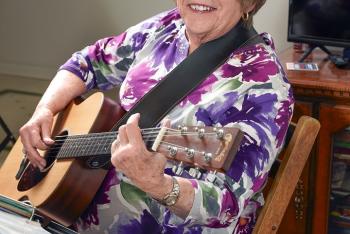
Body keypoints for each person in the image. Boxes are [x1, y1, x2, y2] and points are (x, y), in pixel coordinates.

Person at [19, 0, 294, 233]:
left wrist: (157, 183)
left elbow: (227, 204)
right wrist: (45, 109)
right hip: (73, 209)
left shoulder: (265, 84)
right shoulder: (167, 27)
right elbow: (89, 62)